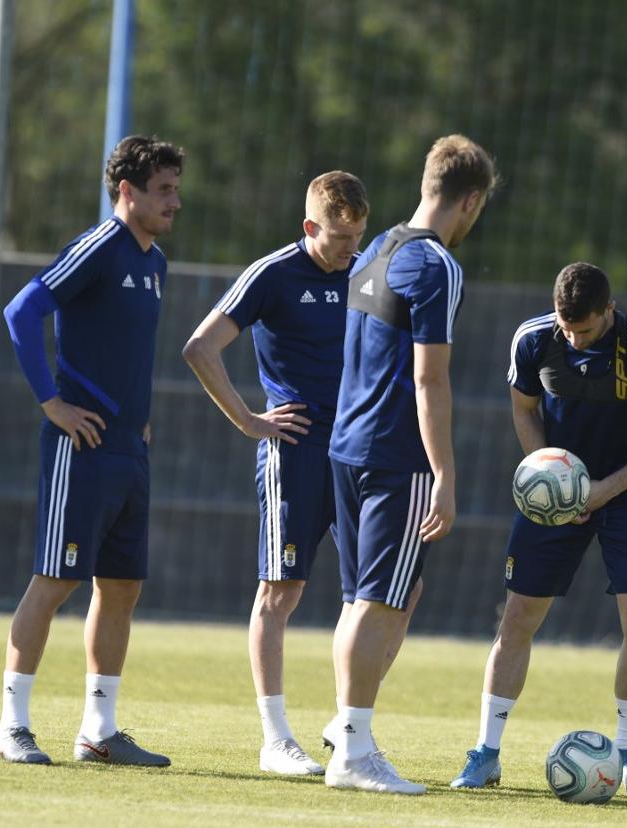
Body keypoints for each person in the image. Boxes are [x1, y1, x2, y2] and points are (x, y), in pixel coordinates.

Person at [184, 171, 423, 777]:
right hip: (293, 452)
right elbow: (200, 347)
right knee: (281, 590)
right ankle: (275, 739)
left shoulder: (366, 273)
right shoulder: (272, 274)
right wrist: (248, 420)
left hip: (357, 454)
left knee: (398, 589)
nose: (352, 248)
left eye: (360, 236)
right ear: (310, 226)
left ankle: (348, 722)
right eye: (342, 237)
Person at [448, 261, 627, 799]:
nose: (573, 338)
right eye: (566, 327)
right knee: (517, 619)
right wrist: (553, 476)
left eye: (584, 329)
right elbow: (524, 408)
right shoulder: (534, 339)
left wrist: (603, 488)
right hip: (556, 496)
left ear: (610, 310)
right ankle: (486, 753)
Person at [0, 135, 183, 767]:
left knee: (123, 586)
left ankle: (99, 731)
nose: (174, 202)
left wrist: (141, 422)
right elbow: (21, 312)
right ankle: (12, 726)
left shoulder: (154, 262)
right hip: (84, 447)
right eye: (163, 190)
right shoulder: (98, 246)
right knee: (56, 580)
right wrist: (52, 402)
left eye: (176, 190)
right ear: (126, 192)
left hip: (128, 450)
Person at [325, 135, 497, 794]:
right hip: (397, 455)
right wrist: (446, 476)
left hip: (349, 445)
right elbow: (430, 382)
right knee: (380, 603)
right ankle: (355, 750)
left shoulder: (376, 249)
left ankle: (346, 732)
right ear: (471, 200)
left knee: (377, 597)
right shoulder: (437, 265)